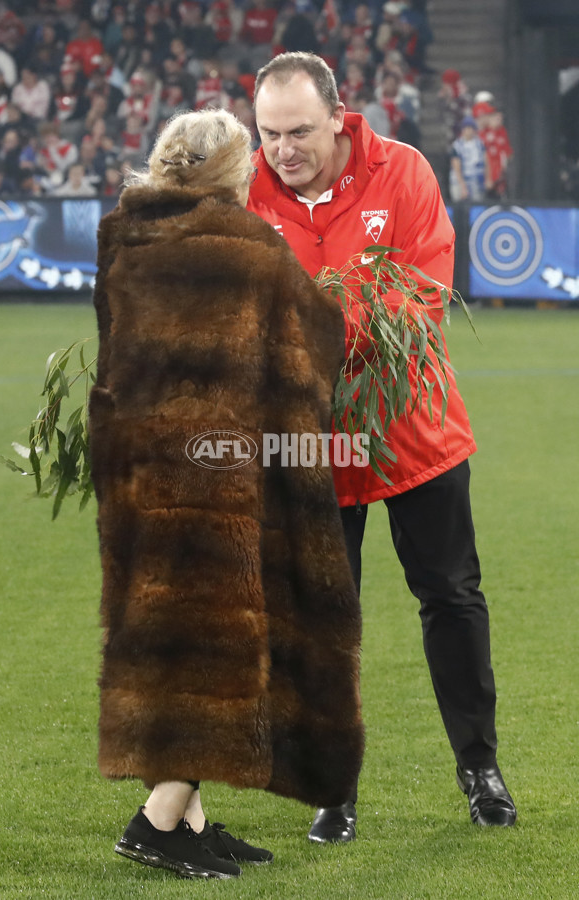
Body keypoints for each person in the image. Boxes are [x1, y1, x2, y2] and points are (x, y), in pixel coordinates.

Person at [248, 51, 517, 843]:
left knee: (452, 600)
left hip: (413, 433)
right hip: (311, 447)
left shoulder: (403, 173)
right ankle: (335, 789)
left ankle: (480, 769)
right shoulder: (246, 190)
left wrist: (309, 333)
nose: (283, 150)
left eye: (299, 131)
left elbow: (421, 297)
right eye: (269, 133)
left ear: (339, 116)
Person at [89, 107, 364, 880]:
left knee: (164, 643)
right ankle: (156, 822)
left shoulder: (125, 241)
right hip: (219, 485)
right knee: (216, 652)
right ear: (228, 173)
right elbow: (314, 348)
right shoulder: (251, 249)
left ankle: (192, 824)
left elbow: (112, 357)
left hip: (140, 479)